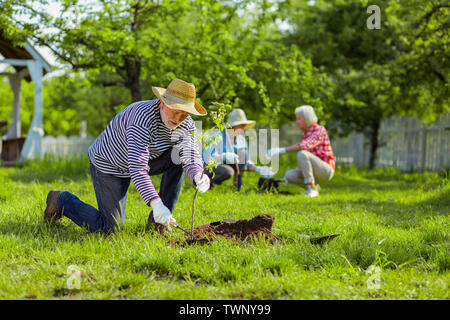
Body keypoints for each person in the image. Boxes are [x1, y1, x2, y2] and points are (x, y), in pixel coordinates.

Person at [43, 78, 211, 233]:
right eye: (175, 111)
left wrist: (197, 173)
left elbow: (189, 153)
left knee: (179, 156)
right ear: (163, 102)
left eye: (184, 114)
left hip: (147, 158)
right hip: (110, 163)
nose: (178, 118)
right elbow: (138, 167)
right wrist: (156, 203)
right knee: (111, 229)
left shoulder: (186, 124)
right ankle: (60, 199)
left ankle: (159, 223)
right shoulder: (142, 118)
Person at [267, 105, 335, 197]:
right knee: (289, 175)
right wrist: (283, 180)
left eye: (299, 119)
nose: (297, 121)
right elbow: (306, 162)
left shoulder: (319, 130)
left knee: (302, 153)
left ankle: (310, 187)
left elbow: (304, 146)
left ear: (307, 119)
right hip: (315, 171)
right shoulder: (305, 133)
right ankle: (314, 188)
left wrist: (280, 150)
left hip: (325, 170)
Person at [202, 108, 273, 189]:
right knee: (228, 171)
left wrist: (259, 169)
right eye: (241, 125)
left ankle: (237, 183)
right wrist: (224, 156)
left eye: (244, 125)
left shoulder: (241, 139)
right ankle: (205, 183)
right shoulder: (217, 136)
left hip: (226, 164)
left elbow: (246, 163)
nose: (244, 128)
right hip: (210, 167)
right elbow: (207, 159)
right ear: (233, 126)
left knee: (243, 152)